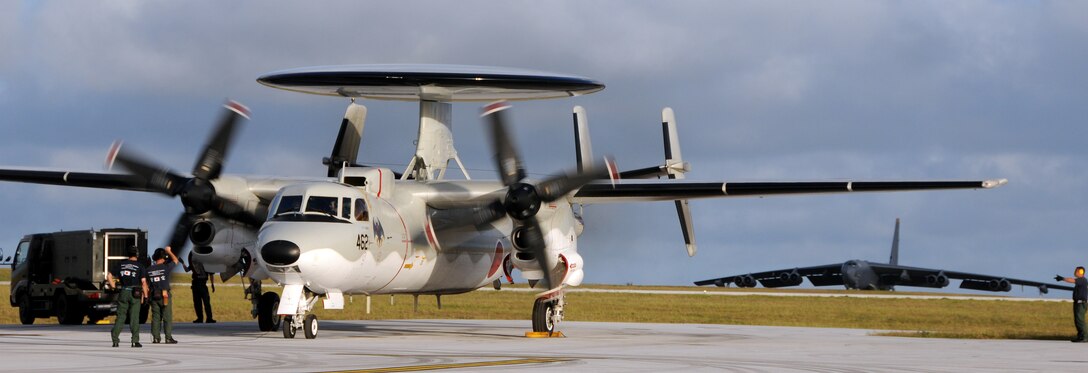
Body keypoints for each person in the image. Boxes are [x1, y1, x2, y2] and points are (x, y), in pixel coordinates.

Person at [106, 247, 148, 348]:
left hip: (123, 291)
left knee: (121, 316)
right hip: (135, 293)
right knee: (134, 317)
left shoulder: (121, 264)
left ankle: (115, 340)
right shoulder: (140, 266)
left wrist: (114, 287)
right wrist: (146, 296)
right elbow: (143, 282)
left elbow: (109, 276)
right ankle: (135, 341)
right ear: (137, 254)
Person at [147, 246, 179, 344]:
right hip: (164, 295)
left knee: (156, 317)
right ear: (163, 257)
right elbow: (175, 260)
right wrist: (169, 251)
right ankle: (168, 338)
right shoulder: (166, 267)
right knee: (167, 317)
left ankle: (156, 338)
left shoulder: (148, 269)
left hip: (154, 296)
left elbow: (146, 284)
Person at [1056, 266, 1088, 342]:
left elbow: (1072, 280)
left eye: (1076, 271)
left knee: (1080, 321)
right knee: (1077, 321)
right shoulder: (1081, 281)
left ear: (1080, 272)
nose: (1075, 272)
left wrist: (1062, 278)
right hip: (1078, 303)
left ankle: (1085, 337)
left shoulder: (1082, 280)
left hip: (1081, 304)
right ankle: (1080, 336)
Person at [184, 255, 215, 323]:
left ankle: (203, 318)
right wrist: (212, 284)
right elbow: (211, 274)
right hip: (199, 284)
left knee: (202, 302)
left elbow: (186, 270)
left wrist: (183, 263)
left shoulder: (196, 263)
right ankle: (206, 318)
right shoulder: (205, 263)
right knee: (201, 302)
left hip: (199, 284)